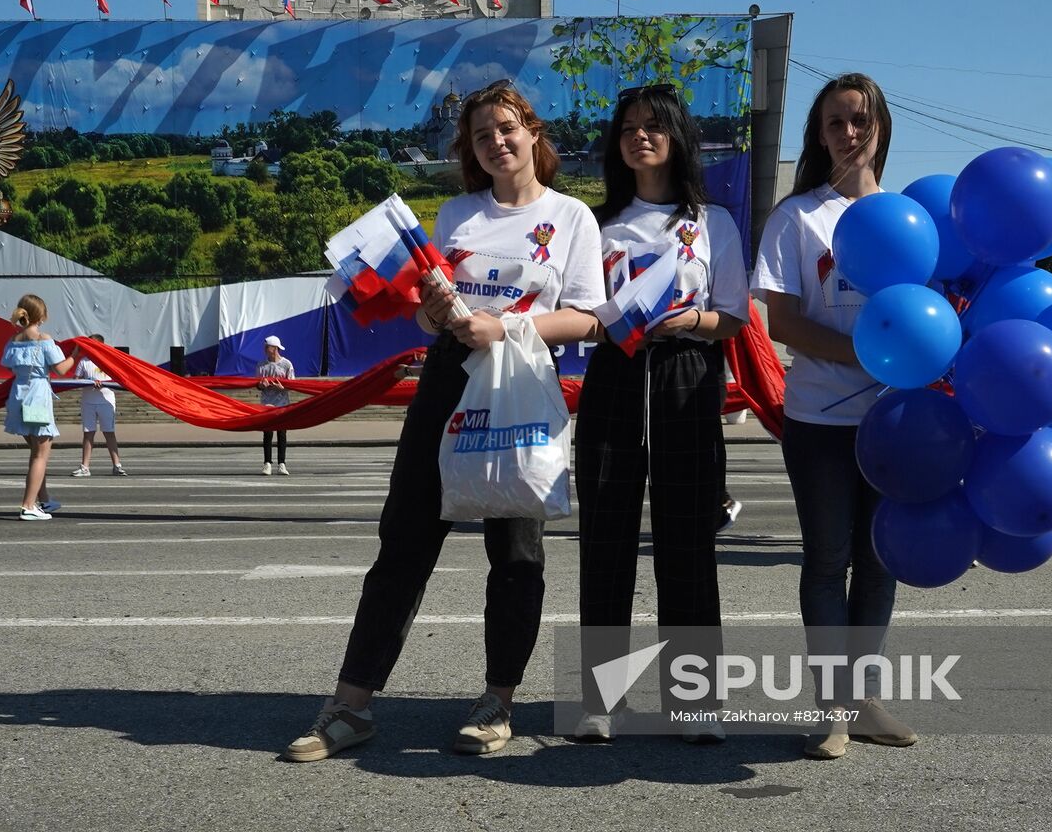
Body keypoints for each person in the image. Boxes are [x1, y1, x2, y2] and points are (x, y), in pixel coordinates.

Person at [286, 80, 605, 762]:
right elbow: (433, 310)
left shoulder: (573, 215)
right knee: (403, 542)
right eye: (481, 135)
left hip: (519, 385)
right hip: (446, 386)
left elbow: (589, 318)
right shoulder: (457, 214)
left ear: (533, 133)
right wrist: (434, 312)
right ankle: (351, 706)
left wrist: (509, 327)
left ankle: (496, 703)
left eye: (507, 127)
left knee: (516, 553)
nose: (496, 141)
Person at [572, 84, 749, 743]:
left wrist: (689, 319)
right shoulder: (597, 225)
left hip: (685, 372)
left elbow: (730, 316)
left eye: (654, 126)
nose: (640, 137)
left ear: (677, 137)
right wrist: (607, 325)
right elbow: (584, 312)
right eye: (628, 128)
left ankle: (694, 702)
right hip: (616, 373)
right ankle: (601, 700)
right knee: (607, 544)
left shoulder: (712, 223)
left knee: (686, 545)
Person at [751, 72, 917, 759]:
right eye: (834, 123)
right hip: (819, 419)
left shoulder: (913, 219)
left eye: (860, 120)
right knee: (827, 558)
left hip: (899, 421)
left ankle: (864, 694)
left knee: (881, 561)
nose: (849, 133)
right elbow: (784, 322)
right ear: (818, 137)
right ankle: (832, 707)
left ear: (880, 127)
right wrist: (867, 355)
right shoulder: (798, 217)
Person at [2, 294, 76, 521]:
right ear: (41, 315)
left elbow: (8, 366)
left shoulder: (14, 340)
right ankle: (28, 505)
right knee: (40, 454)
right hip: (36, 397)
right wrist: (76, 355)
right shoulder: (43, 339)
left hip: (17, 396)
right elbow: (61, 369)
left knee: (35, 451)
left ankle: (43, 499)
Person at [70, 334, 127, 478]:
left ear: (101, 346)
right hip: (88, 402)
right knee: (88, 434)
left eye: (94, 345)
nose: (91, 348)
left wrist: (103, 383)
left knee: (109, 433)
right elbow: (75, 380)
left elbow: (118, 378)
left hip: (106, 402)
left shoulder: (108, 362)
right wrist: (89, 381)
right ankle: (85, 467)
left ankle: (117, 466)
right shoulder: (84, 361)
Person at [256, 335, 294, 476]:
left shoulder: (286, 364)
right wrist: (261, 385)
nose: (265, 349)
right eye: (265, 347)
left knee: (282, 434)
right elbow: (257, 384)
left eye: (268, 347)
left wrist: (282, 387)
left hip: (282, 403)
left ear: (275, 348)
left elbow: (292, 385)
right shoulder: (261, 365)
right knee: (267, 434)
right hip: (267, 404)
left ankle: (282, 464)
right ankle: (267, 464)